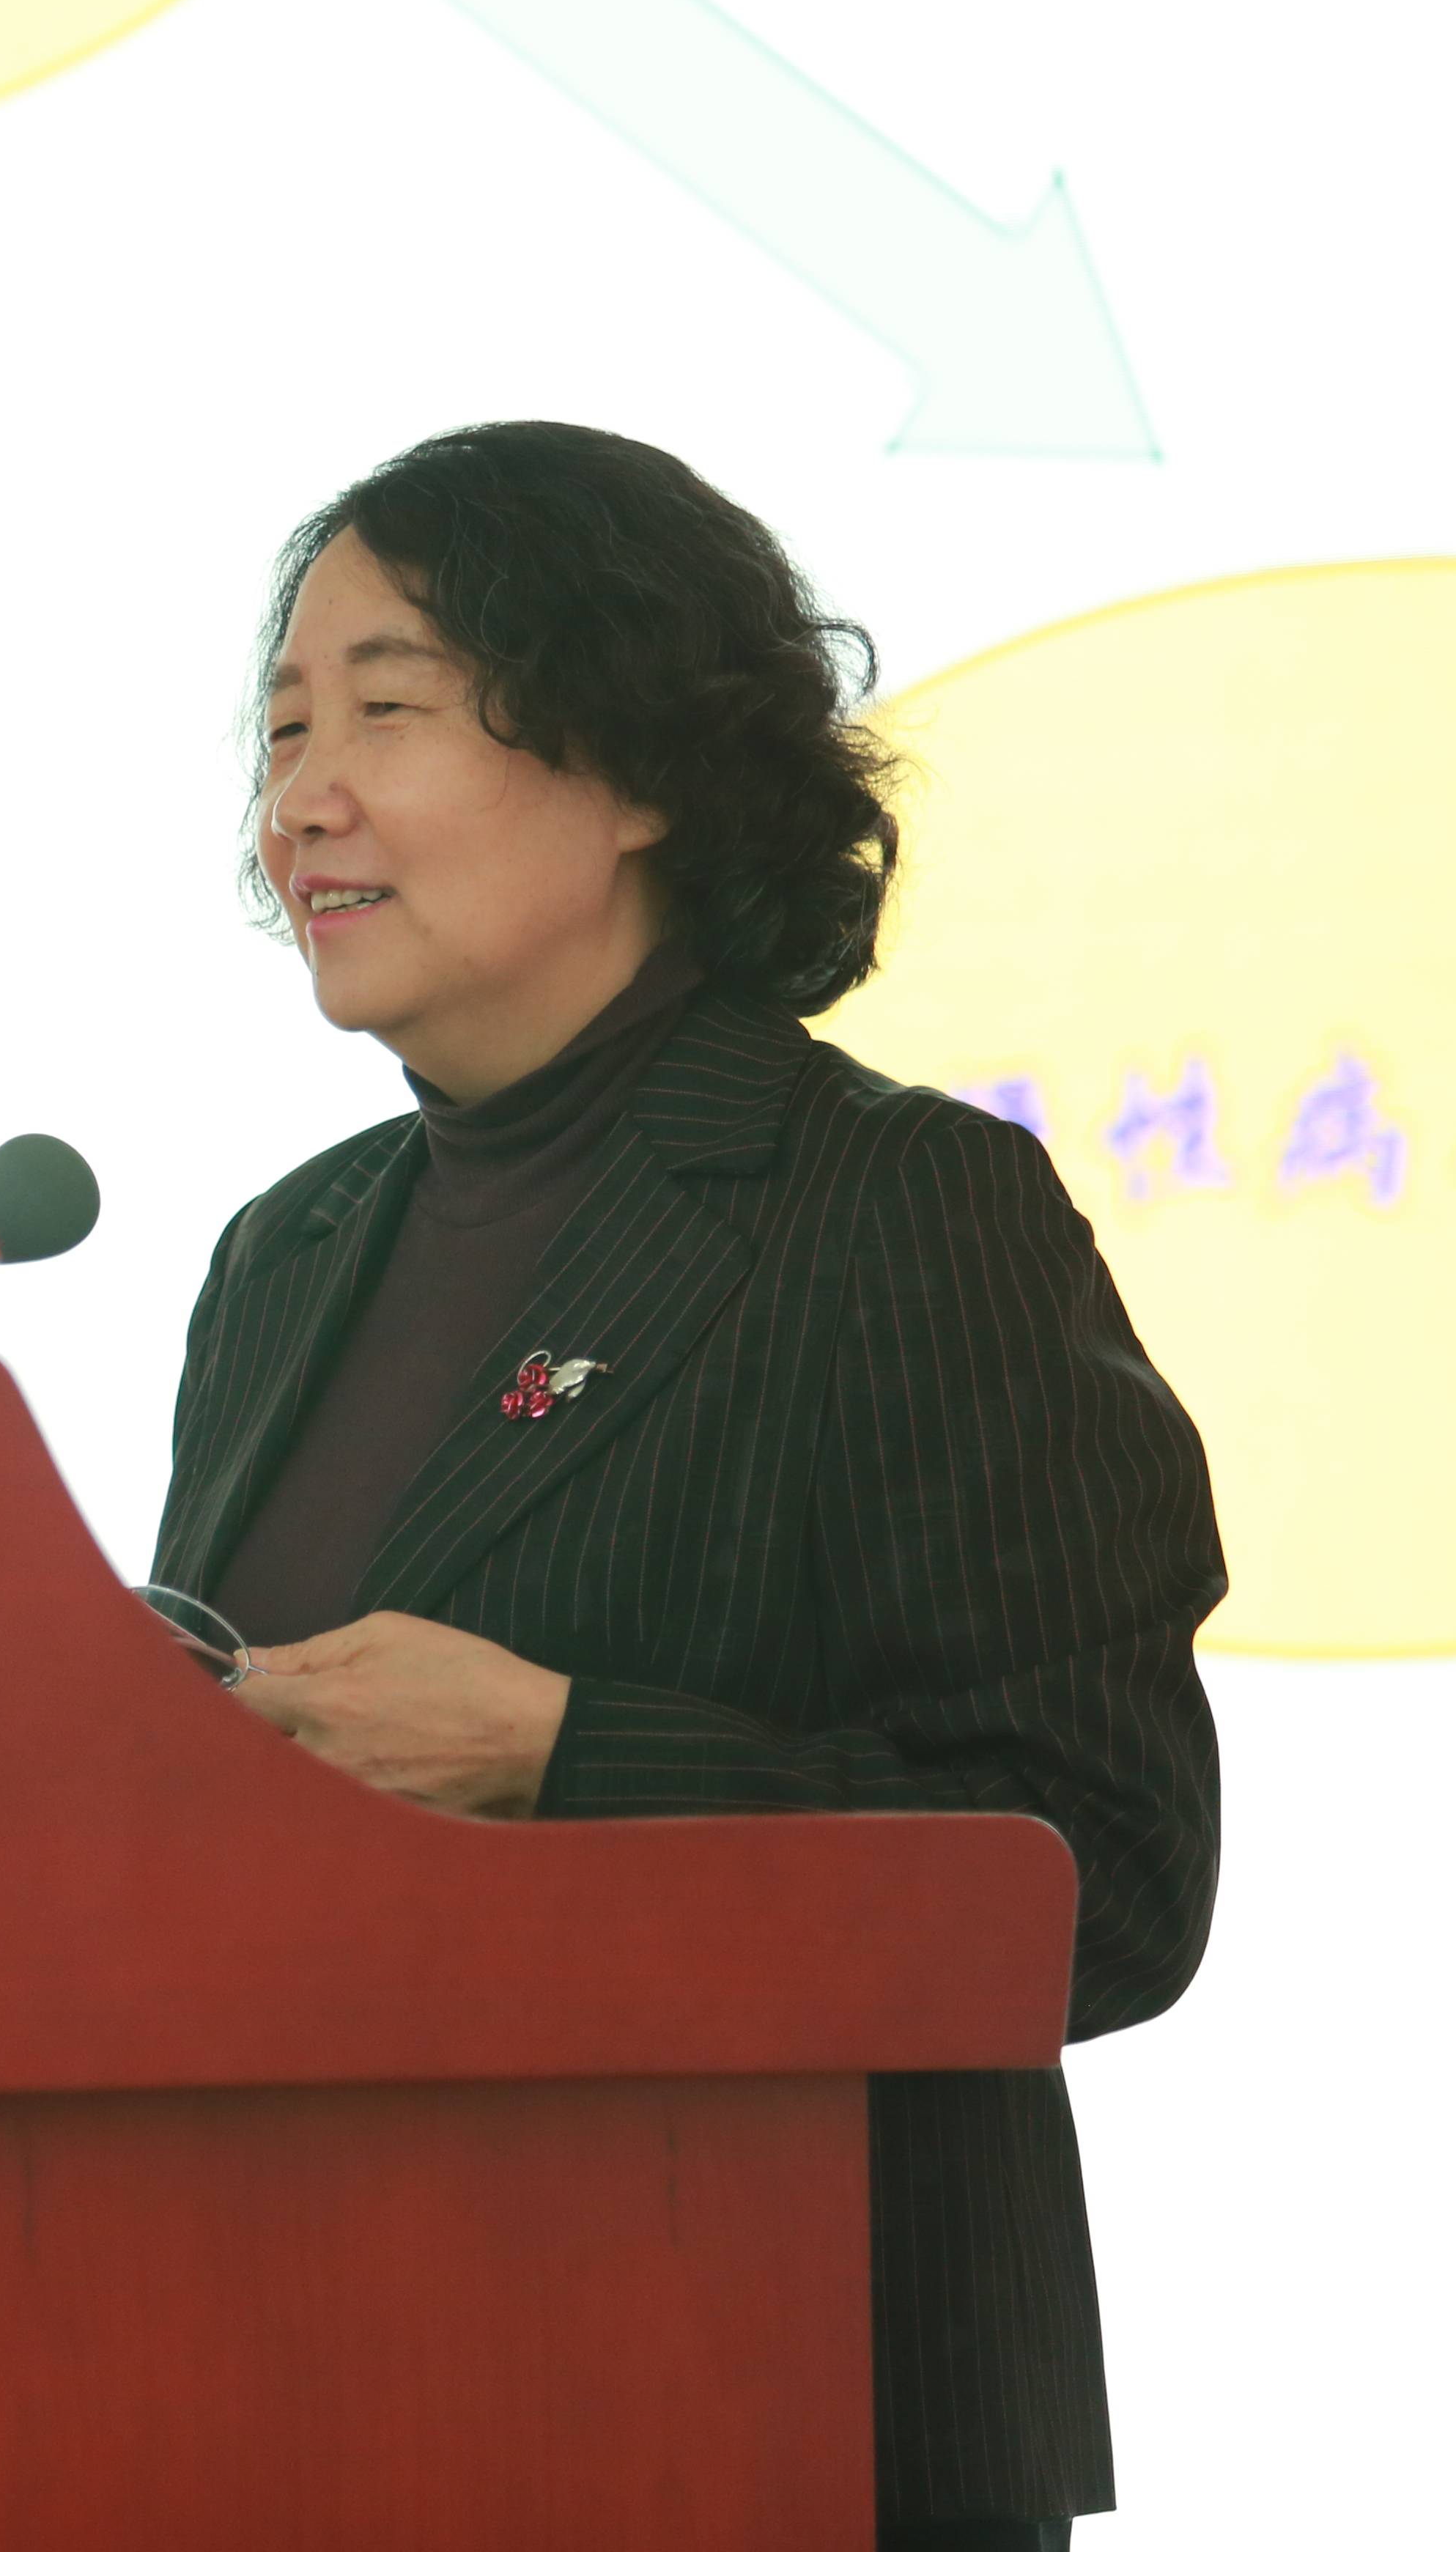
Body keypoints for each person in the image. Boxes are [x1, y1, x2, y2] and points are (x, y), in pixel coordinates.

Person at [152, 422, 1223, 2552]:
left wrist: (566, 1755)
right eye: (283, 730)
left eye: (387, 710)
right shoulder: (288, 1255)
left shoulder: (894, 1210)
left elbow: (1105, 1877)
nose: (305, 800)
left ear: (638, 764)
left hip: (770, 2412)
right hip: (313, 2391)